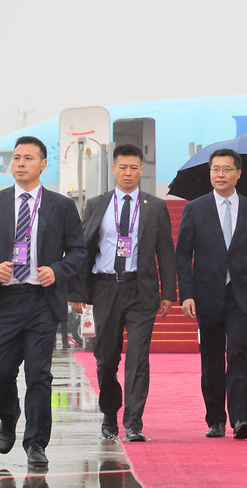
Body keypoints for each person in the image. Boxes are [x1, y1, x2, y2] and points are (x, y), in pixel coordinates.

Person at [0, 136, 86, 467]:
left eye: (28, 158)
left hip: (41, 302)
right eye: (16, 158)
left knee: (39, 374)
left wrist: (57, 270)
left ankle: (36, 443)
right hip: (4, 301)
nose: (20, 163)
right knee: (0, 372)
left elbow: (78, 251)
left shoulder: (61, 206)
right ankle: (8, 416)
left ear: (43, 165)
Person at [68, 143, 177, 442]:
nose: (128, 173)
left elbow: (166, 252)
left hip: (140, 291)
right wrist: (76, 289)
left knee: (139, 358)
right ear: (113, 169)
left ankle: (134, 422)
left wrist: (168, 291)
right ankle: (109, 414)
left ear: (142, 170)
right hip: (105, 288)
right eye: (123, 167)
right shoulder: (96, 205)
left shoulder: (154, 206)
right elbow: (80, 249)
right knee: (106, 359)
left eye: (134, 168)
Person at [176, 148, 247, 440]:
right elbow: (182, 255)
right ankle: (215, 419)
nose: (220, 174)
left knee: (239, 352)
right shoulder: (195, 208)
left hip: (241, 294)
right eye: (215, 169)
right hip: (207, 294)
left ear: (238, 173)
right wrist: (186, 294)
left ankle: (241, 419)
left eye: (227, 169)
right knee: (212, 358)